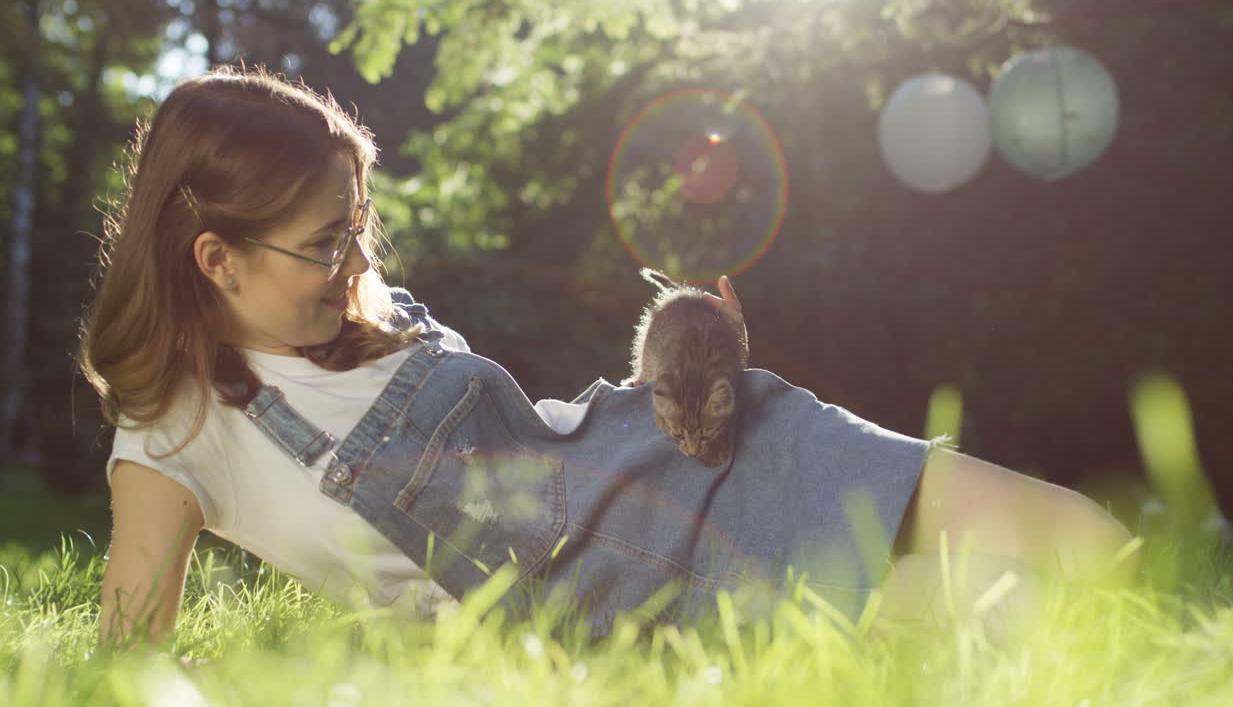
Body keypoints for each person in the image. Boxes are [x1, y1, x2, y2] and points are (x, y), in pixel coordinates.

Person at [80, 66, 1136, 649]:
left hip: (659, 453)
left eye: (356, 226)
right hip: (618, 603)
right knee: (1002, 620)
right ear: (215, 259)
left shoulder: (359, 305)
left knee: (1088, 547)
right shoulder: (177, 436)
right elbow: (124, 662)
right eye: (324, 242)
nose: (356, 260)